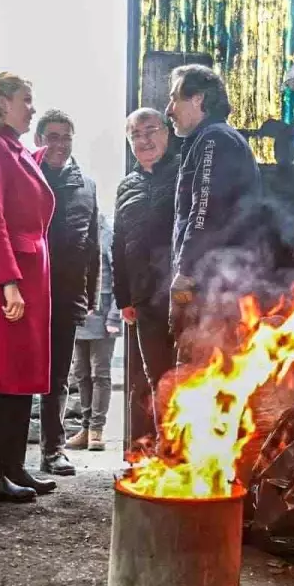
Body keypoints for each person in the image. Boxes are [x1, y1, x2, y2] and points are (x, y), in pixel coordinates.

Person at [0, 72, 58, 503]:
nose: (31, 108)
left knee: (21, 369)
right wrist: (8, 283)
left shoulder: (14, 150)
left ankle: (12, 464)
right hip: (3, 274)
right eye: (26, 100)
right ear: (2, 104)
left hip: (26, 273)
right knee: (0, 369)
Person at [165, 65, 262, 360]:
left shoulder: (213, 140)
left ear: (198, 100)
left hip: (216, 287)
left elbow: (204, 210)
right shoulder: (209, 140)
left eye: (174, 98)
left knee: (204, 370)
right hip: (218, 281)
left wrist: (185, 273)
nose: (169, 109)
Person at [34, 109, 100, 476]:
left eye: (66, 137)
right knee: (20, 374)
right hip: (27, 294)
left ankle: (52, 451)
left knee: (58, 376)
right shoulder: (27, 177)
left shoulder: (86, 186)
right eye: (52, 136)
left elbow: (91, 247)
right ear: (39, 140)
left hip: (65, 294)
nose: (59, 144)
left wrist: (91, 295)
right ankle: (7, 457)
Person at [113, 108, 179, 436]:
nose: (144, 140)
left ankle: (198, 454)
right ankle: (166, 450)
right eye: (135, 135)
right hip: (145, 299)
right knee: (156, 378)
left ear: (168, 132)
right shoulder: (127, 186)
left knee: (191, 374)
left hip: (184, 294)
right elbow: (119, 245)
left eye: (151, 130)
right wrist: (124, 297)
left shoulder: (185, 173)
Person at [66, 213, 121, 452]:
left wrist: (114, 315)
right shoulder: (76, 231)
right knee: (81, 373)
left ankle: (97, 430)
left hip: (103, 316)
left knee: (100, 374)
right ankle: (86, 428)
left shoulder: (108, 233)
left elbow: (119, 277)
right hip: (80, 315)